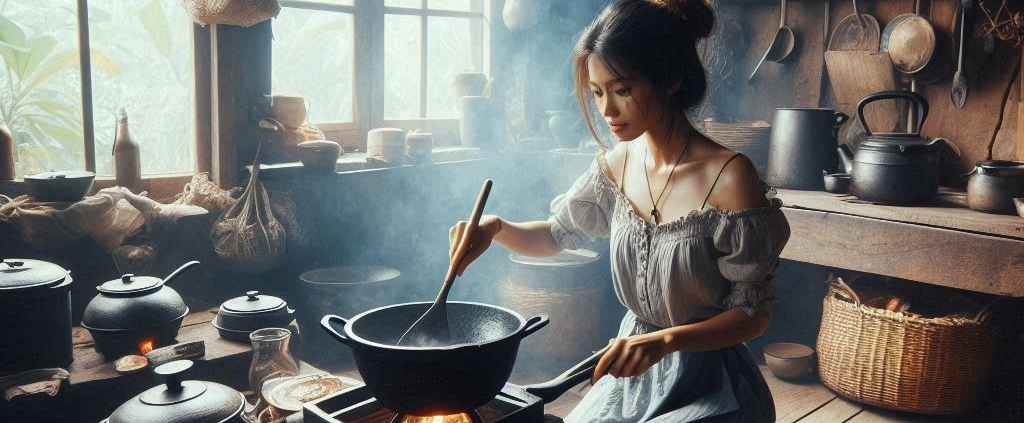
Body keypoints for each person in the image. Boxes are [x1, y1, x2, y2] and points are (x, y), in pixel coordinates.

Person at [449, 0, 790, 421]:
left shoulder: (730, 176)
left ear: (669, 79)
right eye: (596, 93)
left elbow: (753, 315)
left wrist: (666, 342)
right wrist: (495, 227)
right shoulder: (616, 165)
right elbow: (556, 235)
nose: (607, 110)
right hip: (630, 374)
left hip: (712, 383)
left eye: (622, 90)